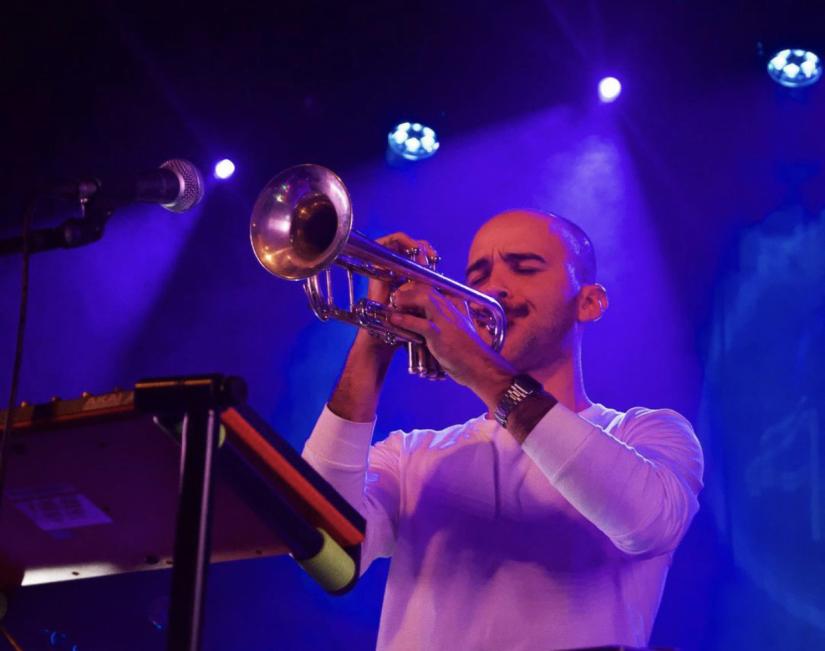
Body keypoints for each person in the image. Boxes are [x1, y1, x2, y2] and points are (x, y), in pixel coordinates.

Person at [302, 209, 704, 651]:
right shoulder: (409, 455)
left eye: (524, 268)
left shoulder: (648, 433)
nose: (492, 289)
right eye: (478, 275)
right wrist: (374, 338)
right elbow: (325, 551)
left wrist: (479, 368)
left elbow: (647, 523)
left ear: (589, 302)